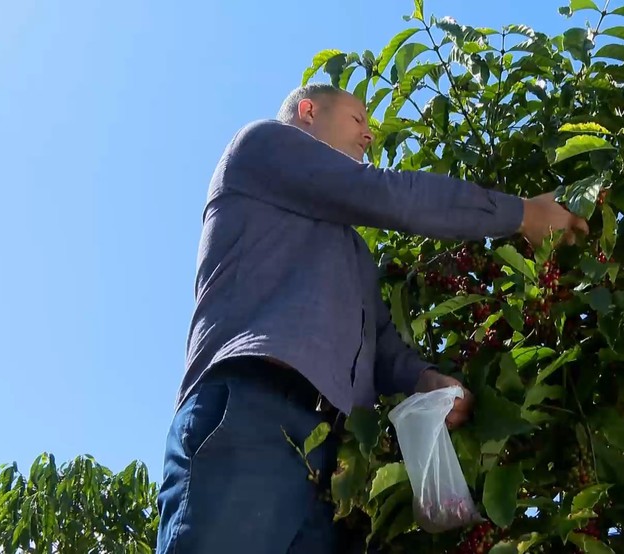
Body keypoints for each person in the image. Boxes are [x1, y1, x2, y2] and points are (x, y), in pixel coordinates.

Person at [155, 83, 590, 553]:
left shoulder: (354, 252)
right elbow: (385, 193)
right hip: (253, 409)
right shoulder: (263, 145)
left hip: (334, 460)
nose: (368, 136)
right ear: (307, 111)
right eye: (358, 119)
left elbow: (381, 345)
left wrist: (424, 379)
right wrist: (522, 213)